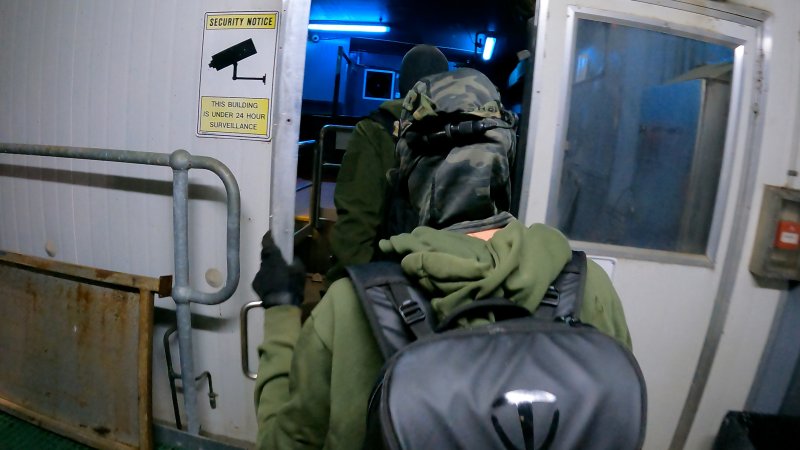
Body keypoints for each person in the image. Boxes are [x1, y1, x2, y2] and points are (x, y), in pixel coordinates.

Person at [253, 68, 632, 449]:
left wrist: (282, 311)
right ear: (506, 157)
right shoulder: (587, 285)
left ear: (406, 172)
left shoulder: (348, 307)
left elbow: (284, 443)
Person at [325, 44, 450, 283]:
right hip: (446, 277)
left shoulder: (375, 130)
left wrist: (346, 285)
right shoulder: (465, 132)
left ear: (401, 84)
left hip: (388, 275)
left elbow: (357, 217)